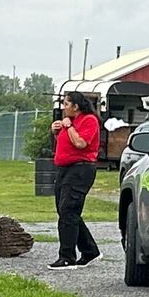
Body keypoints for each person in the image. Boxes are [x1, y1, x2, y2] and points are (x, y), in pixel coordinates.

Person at [50, 89, 102, 269]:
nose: (64, 108)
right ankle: (89, 250)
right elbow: (65, 145)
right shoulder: (70, 122)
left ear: (76, 106)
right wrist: (57, 131)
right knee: (65, 210)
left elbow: (80, 143)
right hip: (65, 169)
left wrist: (69, 127)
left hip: (80, 169)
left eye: (66, 104)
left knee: (68, 210)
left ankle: (67, 256)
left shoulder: (89, 120)